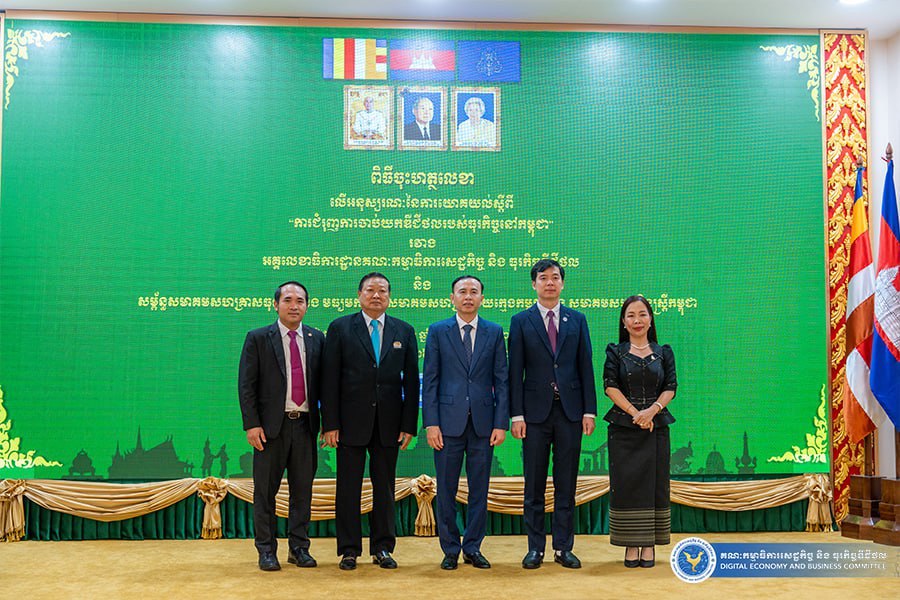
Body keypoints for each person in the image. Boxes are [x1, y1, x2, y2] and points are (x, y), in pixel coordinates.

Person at [322, 272, 419, 570]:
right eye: (370, 290)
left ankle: (383, 548)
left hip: (389, 424)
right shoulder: (340, 327)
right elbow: (329, 379)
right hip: (349, 423)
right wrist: (330, 424)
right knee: (348, 488)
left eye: (382, 291)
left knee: (385, 489)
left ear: (389, 296)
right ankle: (349, 550)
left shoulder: (404, 330)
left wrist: (408, 425)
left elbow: (411, 382)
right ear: (359, 294)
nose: (376, 295)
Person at [508, 259, 596, 569]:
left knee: (565, 483)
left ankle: (563, 547)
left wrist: (589, 410)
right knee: (533, 484)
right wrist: (516, 415)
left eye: (555, 277)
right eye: (543, 278)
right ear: (534, 284)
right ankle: (535, 549)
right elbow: (515, 371)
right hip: (533, 415)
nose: (549, 282)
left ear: (562, 283)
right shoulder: (521, 321)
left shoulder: (577, 319)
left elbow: (585, 366)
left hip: (570, 412)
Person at [422, 275, 509, 570]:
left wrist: (501, 423)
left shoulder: (494, 332)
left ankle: (473, 547)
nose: (468, 296)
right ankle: (450, 549)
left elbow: (502, 380)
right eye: (462, 291)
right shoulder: (438, 331)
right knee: (446, 489)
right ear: (452, 297)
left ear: (482, 298)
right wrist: (431, 423)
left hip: (484, 424)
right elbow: (430, 381)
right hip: (447, 424)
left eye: (474, 292)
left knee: (479, 490)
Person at [238, 281, 325, 571]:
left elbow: (326, 386)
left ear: (307, 306)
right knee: (265, 493)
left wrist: (329, 424)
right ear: (275, 304)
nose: (294, 305)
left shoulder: (317, 338)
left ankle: (299, 548)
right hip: (270, 429)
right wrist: (252, 424)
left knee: (302, 492)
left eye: (300, 300)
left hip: (305, 426)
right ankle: (266, 550)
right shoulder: (258, 338)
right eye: (288, 300)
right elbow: (247, 385)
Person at [603, 295, 676, 569]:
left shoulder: (664, 352)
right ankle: (631, 543)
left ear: (651, 318)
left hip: (656, 428)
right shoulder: (615, 352)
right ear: (623, 322)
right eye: (631, 315)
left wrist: (652, 411)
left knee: (654, 485)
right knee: (628, 486)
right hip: (624, 429)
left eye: (642, 314)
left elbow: (671, 386)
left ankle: (649, 544)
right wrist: (636, 413)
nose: (637, 320)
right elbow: (610, 386)